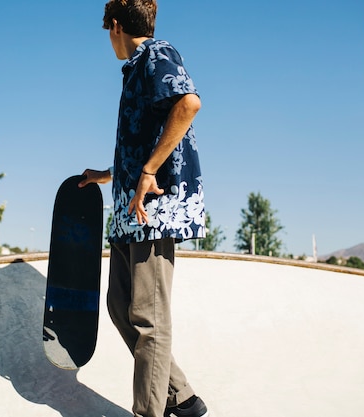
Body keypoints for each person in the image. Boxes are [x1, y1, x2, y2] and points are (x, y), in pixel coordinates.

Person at [79, 1, 208, 416]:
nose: (109, 42)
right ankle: (183, 398)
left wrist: (150, 170)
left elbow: (188, 104)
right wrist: (106, 174)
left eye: (107, 32)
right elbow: (142, 141)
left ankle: (149, 412)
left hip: (154, 211)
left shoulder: (157, 54)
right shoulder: (136, 68)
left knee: (149, 320)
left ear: (115, 25)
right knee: (121, 308)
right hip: (128, 213)